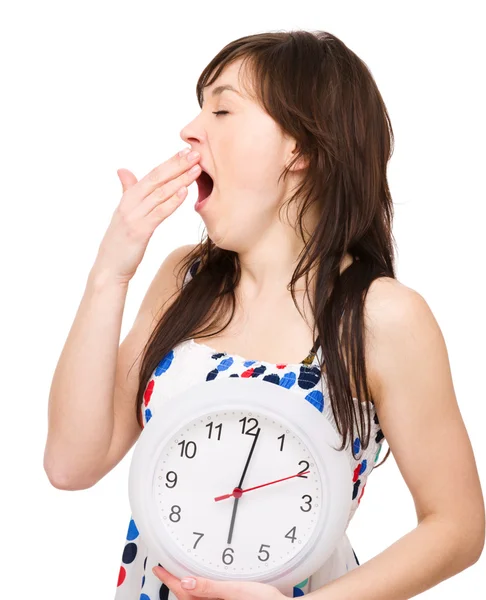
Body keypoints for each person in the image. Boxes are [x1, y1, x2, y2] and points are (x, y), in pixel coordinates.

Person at [44, 30, 484, 600]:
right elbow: (69, 464)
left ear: (299, 147)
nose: (190, 130)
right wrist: (110, 274)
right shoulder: (184, 281)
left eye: (222, 109)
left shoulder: (383, 318)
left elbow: (457, 527)